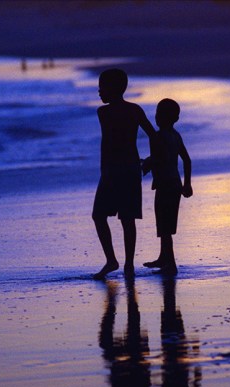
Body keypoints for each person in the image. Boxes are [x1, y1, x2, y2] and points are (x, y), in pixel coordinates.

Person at [92, 68, 156, 279]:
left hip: (111, 172)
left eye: (102, 87)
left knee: (99, 216)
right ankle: (128, 264)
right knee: (127, 220)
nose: (99, 91)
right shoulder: (135, 110)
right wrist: (151, 159)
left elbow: (109, 144)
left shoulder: (103, 113)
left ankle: (112, 260)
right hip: (130, 169)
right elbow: (153, 136)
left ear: (113, 88)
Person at [142, 98, 192, 275]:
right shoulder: (176, 135)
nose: (156, 117)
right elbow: (186, 159)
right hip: (175, 184)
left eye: (159, 114)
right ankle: (164, 257)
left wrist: (146, 163)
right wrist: (187, 184)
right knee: (166, 224)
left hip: (164, 184)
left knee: (164, 225)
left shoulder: (157, 137)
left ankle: (170, 263)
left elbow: (158, 158)